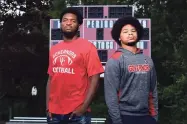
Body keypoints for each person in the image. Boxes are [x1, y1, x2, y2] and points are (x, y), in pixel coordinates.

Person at [46, 7, 104, 124]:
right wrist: (48, 107)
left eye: (73, 21)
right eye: (65, 20)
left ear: (78, 25)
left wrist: (83, 107)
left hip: (77, 113)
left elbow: (95, 78)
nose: (68, 23)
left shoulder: (88, 47)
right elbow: (50, 78)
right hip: (54, 113)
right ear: (61, 23)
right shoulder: (54, 49)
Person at [104, 16, 158, 124]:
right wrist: (117, 121)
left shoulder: (148, 60)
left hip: (145, 116)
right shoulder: (115, 61)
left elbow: (153, 91)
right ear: (119, 36)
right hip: (123, 116)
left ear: (138, 34)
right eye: (125, 31)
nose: (130, 33)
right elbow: (111, 95)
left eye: (133, 31)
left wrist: (154, 117)